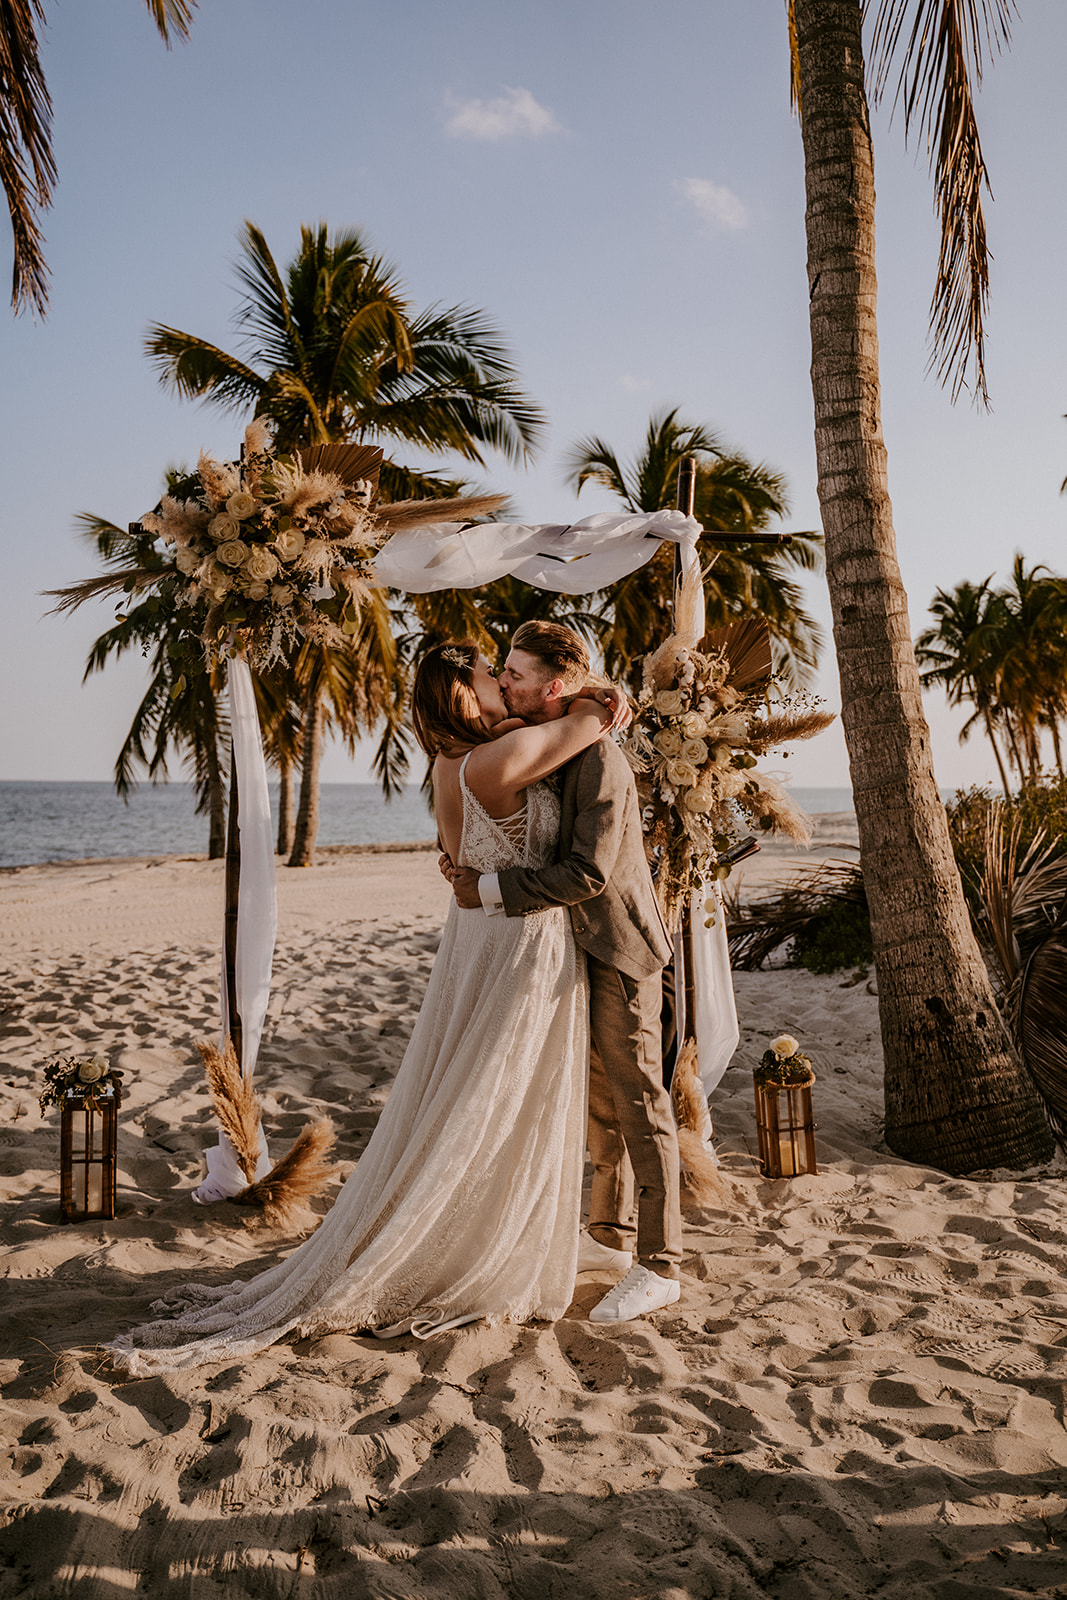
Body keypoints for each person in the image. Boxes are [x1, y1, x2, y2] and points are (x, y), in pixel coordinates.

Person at [107, 641, 614, 1374]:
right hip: (516, 945)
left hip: (481, 938)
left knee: (474, 1091)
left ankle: (476, 1228)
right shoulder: (495, 762)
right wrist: (597, 698)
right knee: (497, 1095)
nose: (503, 683)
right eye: (488, 676)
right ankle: (475, 1245)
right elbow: (587, 723)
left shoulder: (457, 761)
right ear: (463, 697)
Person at [449, 621, 683, 1324]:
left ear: (555, 687)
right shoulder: (554, 741)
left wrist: (487, 893)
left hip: (619, 950)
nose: (505, 681)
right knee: (598, 1107)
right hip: (567, 953)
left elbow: (586, 872)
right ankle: (607, 1240)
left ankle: (660, 1265)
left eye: (516, 674)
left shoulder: (600, 760)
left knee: (640, 1104)